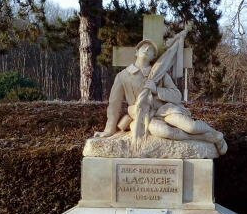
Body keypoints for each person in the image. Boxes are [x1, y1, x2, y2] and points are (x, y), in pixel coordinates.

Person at [95, 38, 227, 155]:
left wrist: (156, 89)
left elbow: (177, 95)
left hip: (165, 111)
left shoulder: (160, 74)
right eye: (143, 47)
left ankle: (216, 135)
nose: (146, 49)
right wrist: (109, 130)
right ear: (136, 52)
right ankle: (206, 138)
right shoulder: (123, 76)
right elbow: (114, 105)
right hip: (143, 116)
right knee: (165, 132)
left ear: (153, 56)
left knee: (190, 127)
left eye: (151, 49)